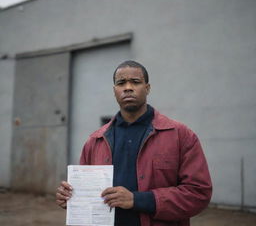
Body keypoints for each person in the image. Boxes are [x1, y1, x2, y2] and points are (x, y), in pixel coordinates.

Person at [56, 60, 212, 226]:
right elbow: (88, 196)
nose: (128, 87)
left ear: (147, 88)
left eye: (135, 82)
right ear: (114, 90)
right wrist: (72, 198)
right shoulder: (95, 141)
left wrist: (137, 200)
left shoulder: (180, 135)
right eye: (121, 83)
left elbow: (198, 193)